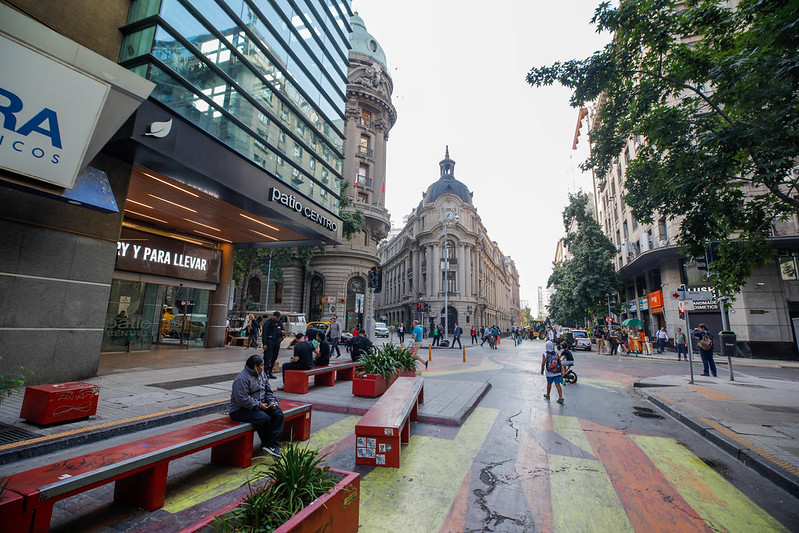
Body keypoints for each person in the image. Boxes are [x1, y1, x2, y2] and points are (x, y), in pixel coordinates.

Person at [229, 354, 284, 458]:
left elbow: (268, 391)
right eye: (261, 365)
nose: (263, 367)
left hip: (260, 405)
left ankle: (273, 444)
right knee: (263, 418)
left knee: (278, 413)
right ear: (255, 367)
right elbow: (242, 400)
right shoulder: (241, 379)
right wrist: (260, 406)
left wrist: (272, 402)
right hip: (240, 410)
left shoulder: (262, 375)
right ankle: (269, 444)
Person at [261, 311, 284, 379]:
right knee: (268, 357)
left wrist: (283, 333)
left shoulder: (280, 323)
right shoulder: (268, 323)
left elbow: (282, 330)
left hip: (277, 341)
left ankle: (270, 372)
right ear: (273, 316)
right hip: (269, 341)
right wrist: (264, 343)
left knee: (274, 357)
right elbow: (264, 334)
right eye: (277, 317)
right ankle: (265, 372)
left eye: (278, 318)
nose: (278, 319)